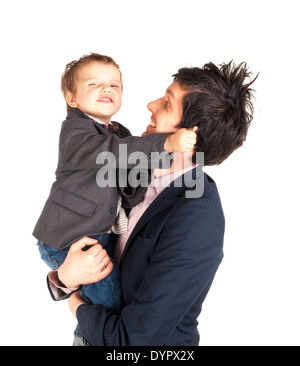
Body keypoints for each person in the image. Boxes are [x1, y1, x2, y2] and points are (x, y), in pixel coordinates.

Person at [48, 61, 257, 346]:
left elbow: (133, 340)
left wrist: (75, 303)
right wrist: (64, 279)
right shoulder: (131, 171)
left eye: (167, 104)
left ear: (188, 135)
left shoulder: (198, 211)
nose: (151, 104)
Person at [32, 53, 197, 338]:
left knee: (109, 298)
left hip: (93, 238)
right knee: (110, 302)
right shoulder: (77, 131)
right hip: (68, 236)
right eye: (94, 84)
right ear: (72, 99)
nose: (107, 89)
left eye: (114, 85)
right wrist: (165, 144)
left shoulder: (121, 134)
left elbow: (127, 184)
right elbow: (112, 153)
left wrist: (150, 172)